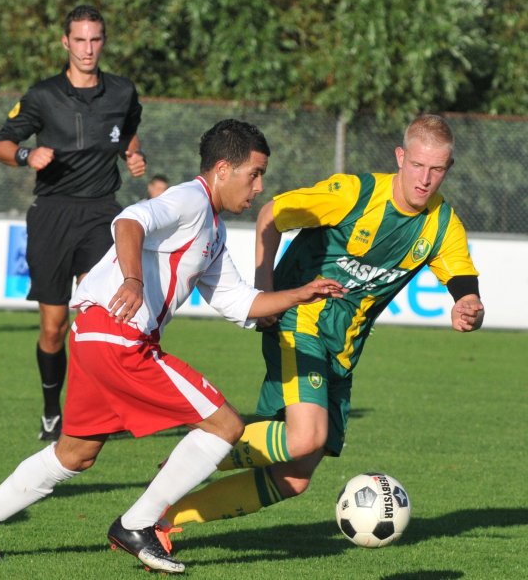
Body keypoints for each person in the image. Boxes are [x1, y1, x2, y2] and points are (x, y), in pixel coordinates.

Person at [0, 119, 346, 573]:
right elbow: (131, 219)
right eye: (254, 174)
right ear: (221, 169)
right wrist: (133, 279)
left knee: (76, 453)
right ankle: (137, 524)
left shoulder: (210, 229)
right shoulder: (191, 199)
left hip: (96, 334)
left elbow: (237, 301)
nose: (259, 187)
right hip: (122, 339)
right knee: (226, 424)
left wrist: (300, 293)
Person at [155, 114, 485, 548]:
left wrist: (468, 306)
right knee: (307, 434)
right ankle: (189, 457)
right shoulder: (354, 194)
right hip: (301, 317)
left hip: (342, 348)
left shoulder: (442, 225)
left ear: (448, 168)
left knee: (294, 476)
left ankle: (166, 516)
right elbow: (271, 214)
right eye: (418, 165)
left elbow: (463, 284)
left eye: (437, 169)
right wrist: (265, 289)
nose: (425, 179)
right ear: (401, 157)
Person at [0, 5, 146, 441]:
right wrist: (26, 155)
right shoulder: (42, 95)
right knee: (54, 326)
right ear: (66, 43)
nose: (88, 49)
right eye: (80, 40)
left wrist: (133, 154)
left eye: (95, 39)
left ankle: (104, 409)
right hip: (52, 213)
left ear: (104, 41)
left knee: (101, 317)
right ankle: (50, 410)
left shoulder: (122, 91)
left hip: (101, 212)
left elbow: (127, 130)